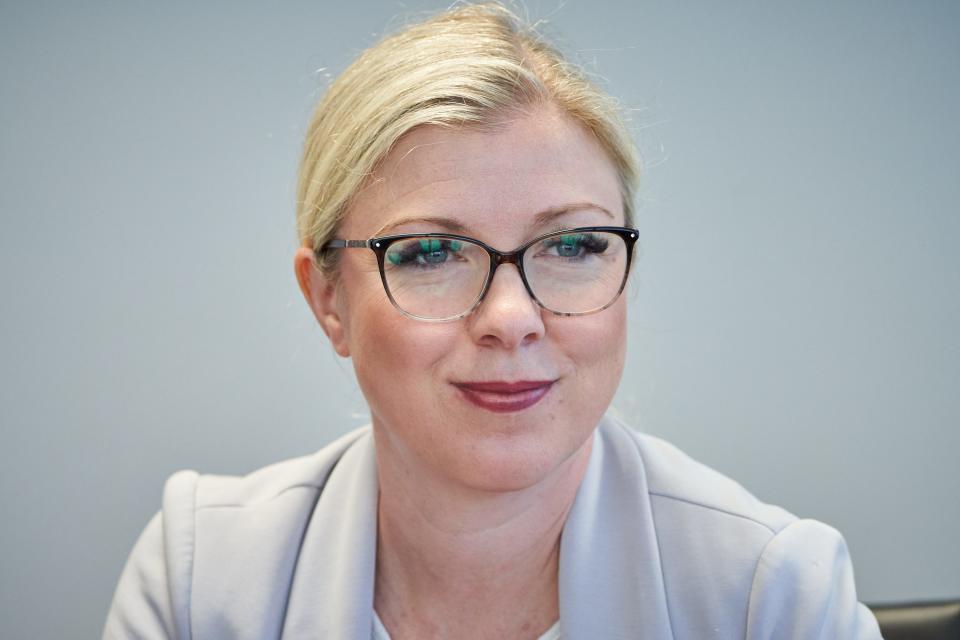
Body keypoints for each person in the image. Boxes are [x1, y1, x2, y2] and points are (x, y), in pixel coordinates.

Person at [104, 3, 882, 638]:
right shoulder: (198, 577)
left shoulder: (775, 597)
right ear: (328, 301)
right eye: (433, 251)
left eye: (573, 244)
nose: (511, 320)